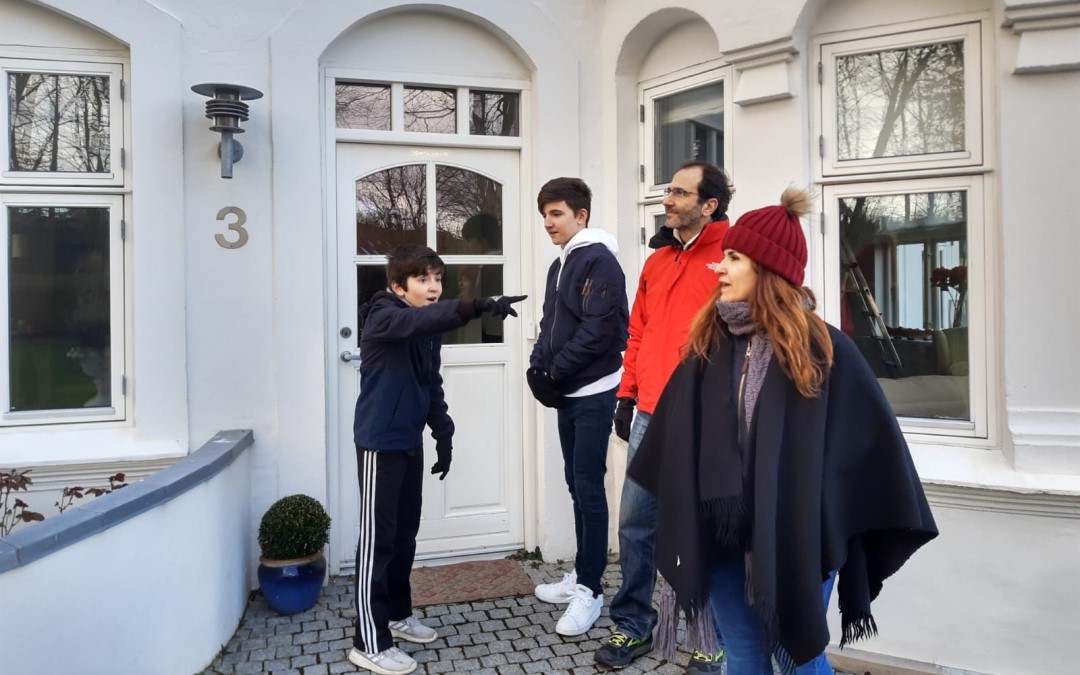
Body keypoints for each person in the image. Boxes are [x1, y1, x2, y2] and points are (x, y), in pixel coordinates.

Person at [627, 188, 938, 675]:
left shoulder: (823, 351)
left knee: (796, 656)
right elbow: (676, 439)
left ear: (768, 268)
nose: (719, 268)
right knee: (745, 654)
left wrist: (823, 516)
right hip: (722, 534)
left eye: (733, 257)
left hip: (796, 537)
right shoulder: (710, 343)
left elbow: (864, 452)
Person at [348, 244, 526, 675]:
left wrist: (443, 434)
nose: (433, 287)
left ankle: (397, 613)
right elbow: (420, 319)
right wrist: (477, 305)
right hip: (380, 443)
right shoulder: (383, 315)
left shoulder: (423, 328)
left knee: (406, 534)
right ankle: (368, 641)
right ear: (397, 285)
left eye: (438, 279)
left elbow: (430, 382)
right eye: (423, 279)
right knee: (378, 540)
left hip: (408, 440)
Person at [594, 160, 734, 674]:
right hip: (651, 410)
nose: (667, 199)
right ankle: (634, 624)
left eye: (678, 192)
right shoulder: (657, 262)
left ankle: (708, 637)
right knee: (635, 522)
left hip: (705, 418)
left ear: (708, 204)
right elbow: (638, 333)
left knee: (703, 530)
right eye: (667, 190)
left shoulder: (732, 257)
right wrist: (627, 396)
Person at [526, 177, 629, 637]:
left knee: (588, 485)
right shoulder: (561, 263)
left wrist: (555, 371)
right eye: (545, 214)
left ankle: (591, 589)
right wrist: (537, 366)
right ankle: (579, 578)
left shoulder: (599, 260)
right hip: (569, 390)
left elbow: (600, 329)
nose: (548, 222)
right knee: (574, 482)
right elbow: (551, 322)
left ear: (581, 215)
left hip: (593, 391)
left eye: (557, 214)